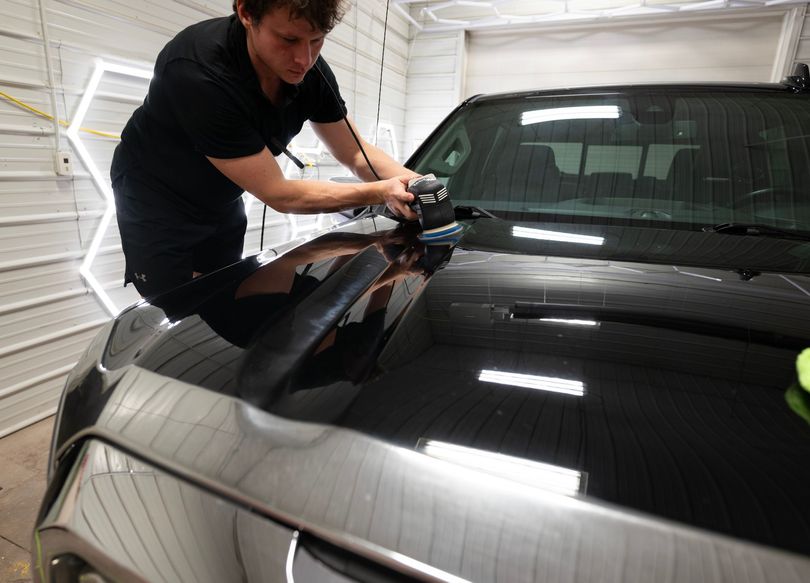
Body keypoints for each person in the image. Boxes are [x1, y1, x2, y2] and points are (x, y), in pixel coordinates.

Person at [110, 0, 418, 298]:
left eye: (317, 40)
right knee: (176, 305)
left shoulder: (311, 73)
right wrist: (381, 192)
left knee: (226, 296)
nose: (304, 59)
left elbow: (355, 153)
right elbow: (279, 194)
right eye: (288, 39)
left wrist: (420, 185)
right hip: (157, 202)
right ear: (246, 12)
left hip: (221, 197)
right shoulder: (197, 71)